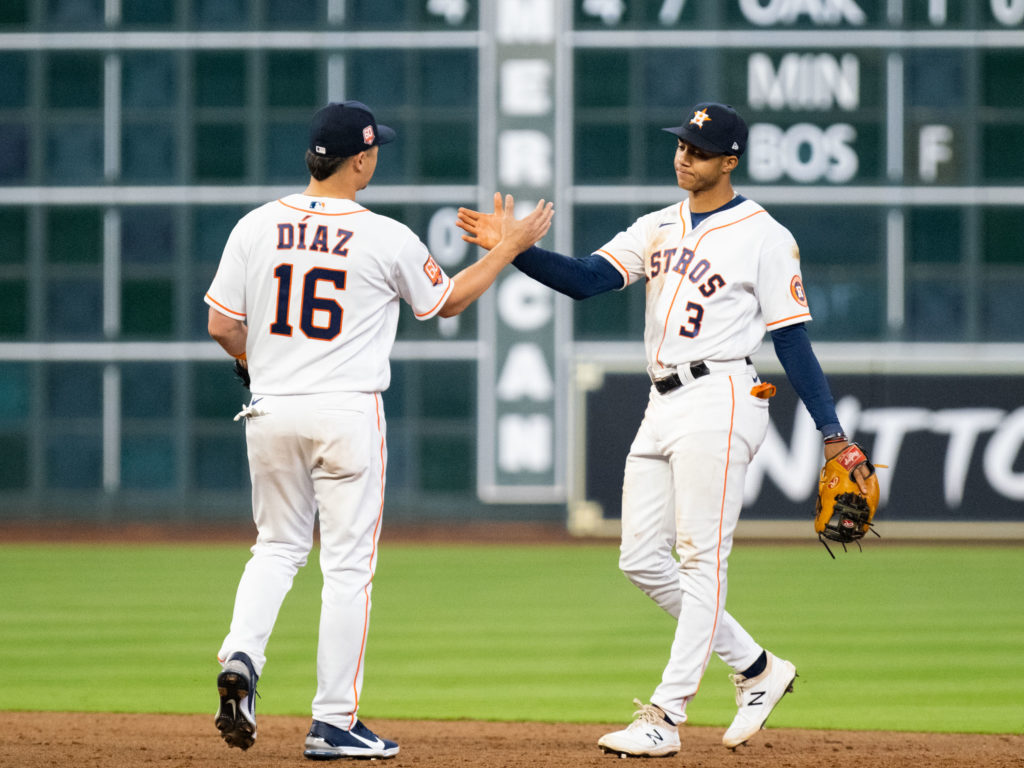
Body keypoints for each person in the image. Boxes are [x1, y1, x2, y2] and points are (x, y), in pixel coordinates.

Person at [456, 102, 873, 757]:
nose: (684, 157)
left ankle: (666, 717)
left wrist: (832, 433)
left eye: (700, 151)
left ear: (729, 162)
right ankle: (760, 670)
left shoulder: (763, 234)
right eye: (682, 145)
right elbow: (588, 281)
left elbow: (792, 340)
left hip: (724, 395)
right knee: (640, 559)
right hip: (663, 401)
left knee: (701, 561)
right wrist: (515, 250)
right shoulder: (658, 225)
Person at [205, 100, 553, 760]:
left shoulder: (254, 226)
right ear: (359, 159)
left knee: (276, 547)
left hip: (271, 407)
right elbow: (445, 302)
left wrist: (262, 366)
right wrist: (508, 247)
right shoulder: (384, 235)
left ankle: (243, 659)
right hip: (345, 414)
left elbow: (223, 326)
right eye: (373, 151)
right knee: (346, 570)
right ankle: (333, 722)